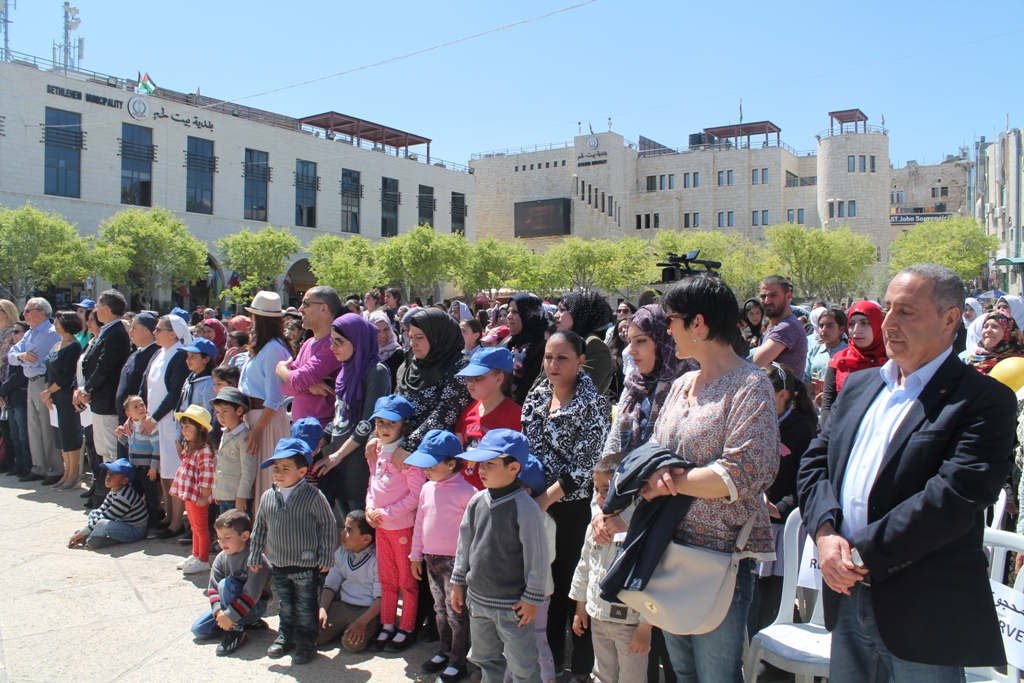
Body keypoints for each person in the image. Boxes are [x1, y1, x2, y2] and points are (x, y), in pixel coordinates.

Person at [797, 264, 1016, 682]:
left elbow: (952, 498)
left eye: (907, 312)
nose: (890, 323)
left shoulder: (984, 400)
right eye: (888, 308)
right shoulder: (860, 386)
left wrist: (855, 556)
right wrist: (825, 537)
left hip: (923, 610)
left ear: (951, 319)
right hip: (845, 594)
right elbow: (815, 464)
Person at [627, 275, 779, 683]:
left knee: (717, 677)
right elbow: (651, 455)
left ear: (698, 323)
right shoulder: (680, 384)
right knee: (682, 672)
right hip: (668, 548)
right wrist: (653, 477)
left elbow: (744, 473)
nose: (667, 330)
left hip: (719, 559)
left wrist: (668, 481)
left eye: (671, 320)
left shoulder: (750, 385)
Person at [522, 330, 611, 680]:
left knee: (573, 585)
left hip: (571, 508)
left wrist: (545, 499)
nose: (552, 365)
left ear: (580, 361)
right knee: (544, 585)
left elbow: (586, 465)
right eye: (548, 357)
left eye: (562, 358)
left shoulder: (595, 404)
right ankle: (551, 660)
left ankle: (581, 666)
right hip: (536, 501)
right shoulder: (537, 396)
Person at [451, 429, 550, 683]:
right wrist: (458, 582)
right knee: (486, 660)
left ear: (514, 467)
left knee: (523, 667)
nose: (481, 470)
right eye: (481, 463)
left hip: (512, 608)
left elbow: (536, 556)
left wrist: (532, 598)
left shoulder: (525, 508)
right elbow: (465, 543)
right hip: (479, 602)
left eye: (490, 464)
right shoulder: (476, 502)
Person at [248, 438, 337, 666]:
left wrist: (326, 555)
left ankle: (307, 641)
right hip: (278, 562)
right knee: (285, 604)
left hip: (306, 564)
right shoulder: (269, 496)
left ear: (302, 471)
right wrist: (255, 553)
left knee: (307, 606)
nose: (278, 473)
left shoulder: (313, 496)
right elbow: (260, 527)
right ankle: (285, 636)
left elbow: (327, 526)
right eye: (276, 468)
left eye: (285, 469)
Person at [570, 453, 650, 683]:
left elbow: (651, 582)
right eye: (597, 490)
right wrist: (580, 607)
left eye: (607, 489)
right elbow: (584, 566)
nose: (600, 496)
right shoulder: (595, 528)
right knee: (602, 673)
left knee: (632, 677)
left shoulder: (640, 532)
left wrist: (646, 628)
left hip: (631, 624)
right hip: (598, 617)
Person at [751, 362, 817, 635]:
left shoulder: (801, 429)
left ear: (783, 396)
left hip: (781, 528)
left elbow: (807, 480)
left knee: (775, 601)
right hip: (752, 525)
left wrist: (780, 508)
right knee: (752, 599)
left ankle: (777, 670)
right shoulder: (751, 423)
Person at [407, 430, 477, 683]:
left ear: (451, 463)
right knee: (439, 609)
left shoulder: (468, 493)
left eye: (431, 464)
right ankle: (444, 650)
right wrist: (416, 555)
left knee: (457, 612)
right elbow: (420, 523)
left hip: (456, 564)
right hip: (431, 559)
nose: (425, 469)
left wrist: (466, 564)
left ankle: (458, 660)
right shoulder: (427, 489)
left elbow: (473, 534)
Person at [310, 314, 392, 516]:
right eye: (331, 340)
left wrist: (338, 454)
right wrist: (321, 439)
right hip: (338, 459)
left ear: (357, 341)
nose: (332, 347)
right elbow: (340, 416)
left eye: (339, 341)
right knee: (343, 525)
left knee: (359, 524)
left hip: (358, 461)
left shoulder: (376, 371)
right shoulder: (345, 370)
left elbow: (369, 420)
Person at [363, 394, 426, 653]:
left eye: (391, 423)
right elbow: (373, 484)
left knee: (407, 582)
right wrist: (368, 508)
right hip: (381, 528)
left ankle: (407, 627)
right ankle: (387, 623)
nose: (384, 428)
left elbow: (416, 493)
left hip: (401, 527)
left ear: (404, 426)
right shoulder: (376, 451)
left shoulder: (407, 457)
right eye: (380, 422)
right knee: (387, 579)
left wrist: (386, 512)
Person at [191, 509, 273, 656]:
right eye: (219, 538)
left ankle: (236, 631)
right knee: (199, 630)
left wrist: (230, 616)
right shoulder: (221, 558)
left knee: (227, 584)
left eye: (227, 537)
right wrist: (220, 613)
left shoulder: (255, 559)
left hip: (254, 606)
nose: (222, 542)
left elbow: (252, 594)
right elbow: (213, 589)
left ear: (244, 536)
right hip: (229, 605)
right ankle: (243, 622)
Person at [238, 291, 293, 510]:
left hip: (265, 420)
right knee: (254, 480)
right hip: (256, 418)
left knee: (266, 481)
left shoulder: (274, 349)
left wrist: (258, 429)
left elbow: (275, 397)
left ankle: (269, 541)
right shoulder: (265, 346)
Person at [139, 315, 190, 539]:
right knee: (163, 473)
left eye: (159, 329)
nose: (155, 332)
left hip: (169, 421)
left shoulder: (179, 355)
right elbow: (146, 385)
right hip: (154, 421)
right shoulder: (159, 353)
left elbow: (174, 393)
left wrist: (155, 417)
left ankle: (177, 521)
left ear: (173, 333)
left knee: (174, 472)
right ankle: (169, 514)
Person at [395, 308, 472, 451]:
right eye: (411, 337)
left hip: (436, 457)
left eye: (420, 337)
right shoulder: (409, 366)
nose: (413, 343)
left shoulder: (459, 367)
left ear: (437, 336)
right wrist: (376, 436)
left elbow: (446, 413)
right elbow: (393, 406)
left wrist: (409, 446)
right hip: (398, 452)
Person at [75, 290, 131, 478]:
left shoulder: (115, 333)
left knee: (112, 452)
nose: (95, 312)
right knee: (104, 452)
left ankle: (118, 497)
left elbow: (104, 368)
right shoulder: (106, 332)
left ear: (106, 308)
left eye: (98, 307)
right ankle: (107, 495)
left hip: (108, 402)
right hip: (99, 402)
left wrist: (87, 388)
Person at [9, 297, 62, 484]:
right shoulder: (29, 333)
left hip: (43, 381)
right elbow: (12, 354)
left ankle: (55, 469)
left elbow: (37, 357)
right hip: (31, 381)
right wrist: (22, 355)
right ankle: (39, 467)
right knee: (33, 427)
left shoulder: (50, 332)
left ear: (42, 312)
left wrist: (21, 356)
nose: (24, 314)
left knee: (47, 427)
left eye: (28, 310)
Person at [454, 347, 521, 490]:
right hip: (462, 490)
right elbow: (458, 448)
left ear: (499, 379)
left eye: (478, 377)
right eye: (469, 377)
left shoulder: (514, 415)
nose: (470, 382)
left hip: (490, 494)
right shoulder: (469, 409)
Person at [277, 286, 344, 428]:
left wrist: (281, 369)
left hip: (322, 433)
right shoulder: (307, 343)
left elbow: (297, 380)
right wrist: (308, 384)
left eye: (306, 304)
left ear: (323, 309)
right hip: (300, 429)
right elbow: (285, 387)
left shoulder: (334, 345)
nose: (300, 309)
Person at [317, 510, 382, 651]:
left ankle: (368, 628)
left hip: (366, 611)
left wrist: (362, 622)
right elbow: (330, 585)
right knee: (309, 634)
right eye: (344, 527)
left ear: (366, 539)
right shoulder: (341, 552)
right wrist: (322, 609)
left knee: (351, 644)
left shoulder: (377, 560)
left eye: (349, 530)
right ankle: (340, 628)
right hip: (343, 605)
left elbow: (381, 598)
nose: (342, 533)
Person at [820, 302, 887, 429]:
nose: (856, 330)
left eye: (865, 323)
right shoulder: (839, 360)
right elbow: (827, 406)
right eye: (851, 324)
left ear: (878, 324)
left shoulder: (894, 362)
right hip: (844, 431)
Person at [169, 405, 216, 575]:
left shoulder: (203, 450)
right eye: (183, 427)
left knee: (201, 527)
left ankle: (203, 558)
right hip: (190, 494)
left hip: (198, 496)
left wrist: (204, 495)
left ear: (200, 428)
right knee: (194, 526)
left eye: (188, 426)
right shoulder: (190, 447)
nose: (184, 430)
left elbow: (206, 473)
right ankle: (195, 554)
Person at [42, 310, 84, 490]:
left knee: (69, 436)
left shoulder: (73, 347)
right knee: (60, 436)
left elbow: (67, 375)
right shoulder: (56, 345)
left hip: (65, 397)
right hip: (54, 398)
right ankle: (66, 472)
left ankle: (74, 474)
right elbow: (48, 370)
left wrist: (49, 391)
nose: (55, 323)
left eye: (58, 321)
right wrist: (47, 392)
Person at [67, 458, 148, 549]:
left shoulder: (124, 497)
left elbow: (106, 517)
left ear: (124, 480)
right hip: (121, 522)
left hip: (135, 531)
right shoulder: (115, 490)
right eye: (108, 473)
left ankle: (89, 537)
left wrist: (81, 533)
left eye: (114, 474)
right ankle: (91, 536)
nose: (108, 476)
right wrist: (84, 531)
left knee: (102, 525)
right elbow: (102, 509)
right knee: (93, 513)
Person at [114, 312, 160, 463]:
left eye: (134, 328)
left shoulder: (154, 355)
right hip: (128, 420)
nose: (130, 332)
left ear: (147, 330)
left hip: (141, 423)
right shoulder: (136, 353)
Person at [117, 395, 161, 537]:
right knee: (136, 497)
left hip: (147, 469)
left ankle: (152, 527)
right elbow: (130, 445)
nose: (141, 408)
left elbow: (156, 448)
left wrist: (153, 466)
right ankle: (140, 524)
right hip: (134, 469)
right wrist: (120, 436)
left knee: (152, 499)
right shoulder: (131, 427)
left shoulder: (149, 426)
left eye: (142, 405)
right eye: (135, 407)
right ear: (128, 413)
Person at [555, 291, 614, 395]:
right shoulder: (560, 342)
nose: (556, 315)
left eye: (562, 310)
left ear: (580, 313)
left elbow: (574, 392)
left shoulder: (594, 346)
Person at [210, 387, 254, 515]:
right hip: (224, 494)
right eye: (217, 412)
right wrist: (217, 491)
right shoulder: (225, 433)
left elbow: (248, 470)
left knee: (238, 531)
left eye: (225, 411)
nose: (220, 416)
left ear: (239, 410)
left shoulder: (244, 437)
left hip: (237, 497)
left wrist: (242, 496)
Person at [752, 276, 808, 372]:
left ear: (788, 296)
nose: (767, 301)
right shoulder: (776, 326)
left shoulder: (788, 326)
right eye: (763, 296)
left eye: (773, 295)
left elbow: (756, 362)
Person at [504, 294, 548, 405]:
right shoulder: (507, 342)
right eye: (509, 311)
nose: (508, 316)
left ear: (529, 315)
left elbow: (528, 390)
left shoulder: (542, 348)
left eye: (515, 312)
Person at [0, 322, 30, 477]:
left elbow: (18, 376)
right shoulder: (13, 351)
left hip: (20, 395)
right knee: (14, 434)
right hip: (10, 398)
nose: (14, 335)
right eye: (13, 332)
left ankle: (27, 466)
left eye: (17, 332)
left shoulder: (26, 351)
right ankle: (19, 465)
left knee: (24, 435)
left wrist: (2, 390)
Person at [0, 299, 21, 473]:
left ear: (6, 312)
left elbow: (3, 357)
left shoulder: (8, 333)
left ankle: (9, 458)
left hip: (4, 380)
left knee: (8, 423)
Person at [804, 308, 847, 385]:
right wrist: (811, 385)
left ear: (841, 329)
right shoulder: (814, 351)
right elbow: (805, 377)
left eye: (830, 326)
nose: (824, 330)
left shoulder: (848, 353)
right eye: (821, 326)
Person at [369, 309, 403, 389]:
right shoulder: (368, 353)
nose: (383, 335)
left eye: (386, 329)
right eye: (377, 331)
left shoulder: (397, 354)